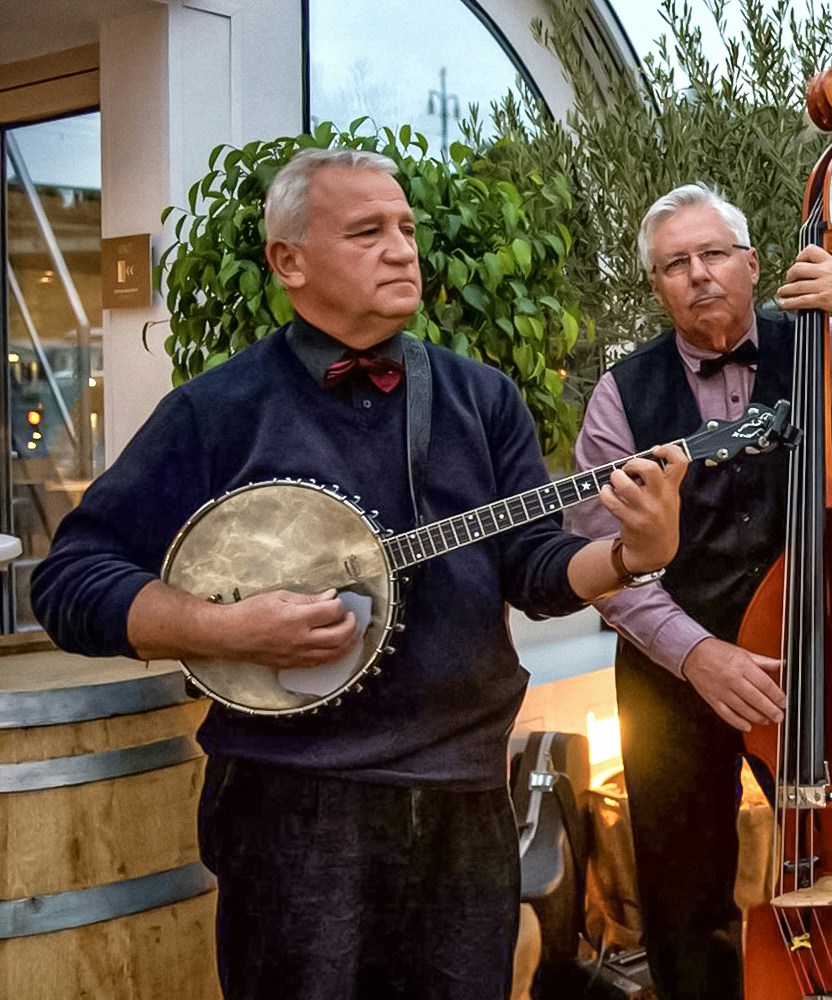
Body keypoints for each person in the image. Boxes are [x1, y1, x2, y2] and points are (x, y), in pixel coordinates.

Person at [31, 148, 690, 1000]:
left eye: (407, 228)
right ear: (289, 262)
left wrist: (632, 556)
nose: (402, 247)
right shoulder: (216, 411)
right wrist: (223, 628)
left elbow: (533, 566)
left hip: (462, 799)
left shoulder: (479, 398)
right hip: (292, 812)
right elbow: (70, 578)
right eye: (368, 231)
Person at [565, 182, 832, 1000]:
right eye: (676, 264)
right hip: (673, 670)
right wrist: (698, 655)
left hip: (823, 659)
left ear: (753, 265)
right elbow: (598, 554)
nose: (699, 275)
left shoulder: (828, 349)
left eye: (715, 254)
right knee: (684, 900)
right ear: (657, 286)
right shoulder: (620, 395)